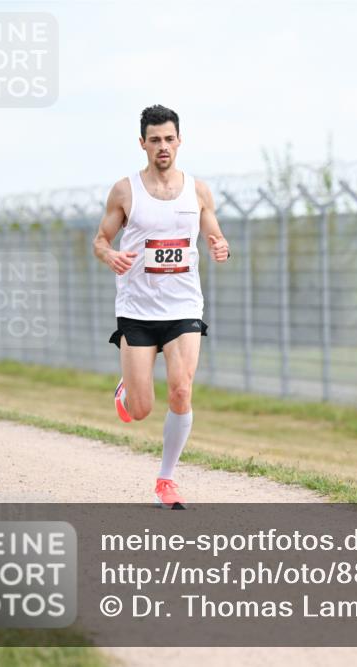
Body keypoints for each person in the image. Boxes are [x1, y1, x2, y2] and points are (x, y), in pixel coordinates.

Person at [93, 104, 230, 509]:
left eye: (169, 138)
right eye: (155, 140)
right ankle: (126, 391)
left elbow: (214, 234)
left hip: (183, 307)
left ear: (180, 141)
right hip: (137, 310)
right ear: (143, 143)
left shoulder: (198, 191)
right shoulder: (125, 191)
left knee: (181, 390)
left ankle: (166, 481)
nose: (163, 146)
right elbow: (100, 240)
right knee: (141, 410)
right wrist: (110, 255)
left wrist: (220, 246)